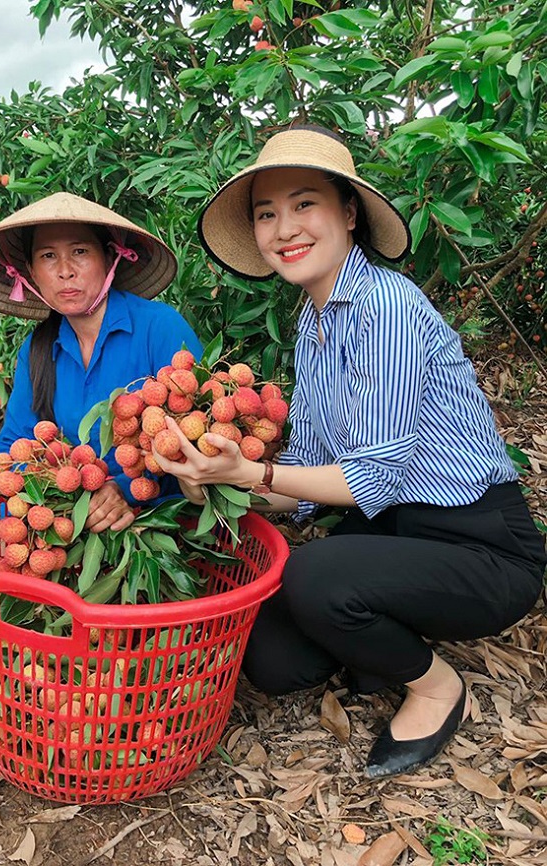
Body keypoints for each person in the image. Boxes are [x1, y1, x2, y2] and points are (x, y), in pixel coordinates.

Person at [152, 125, 546, 778]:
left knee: (313, 577)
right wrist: (217, 481)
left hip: (481, 547)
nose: (284, 228)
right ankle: (379, 633)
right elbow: (302, 478)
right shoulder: (312, 325)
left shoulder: (386, 304)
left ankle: (436, 686)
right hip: (392, 536)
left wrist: (252, 470)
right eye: (266, 214)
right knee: (274, 661)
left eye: (305, 204)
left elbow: (373, 478)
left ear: (350, 214)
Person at [0, 192, 201, 534]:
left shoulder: (160, 327)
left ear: (109, 258)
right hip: (79, 525)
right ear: (31, 273)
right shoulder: (37, 349)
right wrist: (44, 494)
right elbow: (14, 444)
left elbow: (197, 436)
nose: (65, 271)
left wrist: (125, 490)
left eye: (80, 252)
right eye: (48, 256)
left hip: (173, 523)